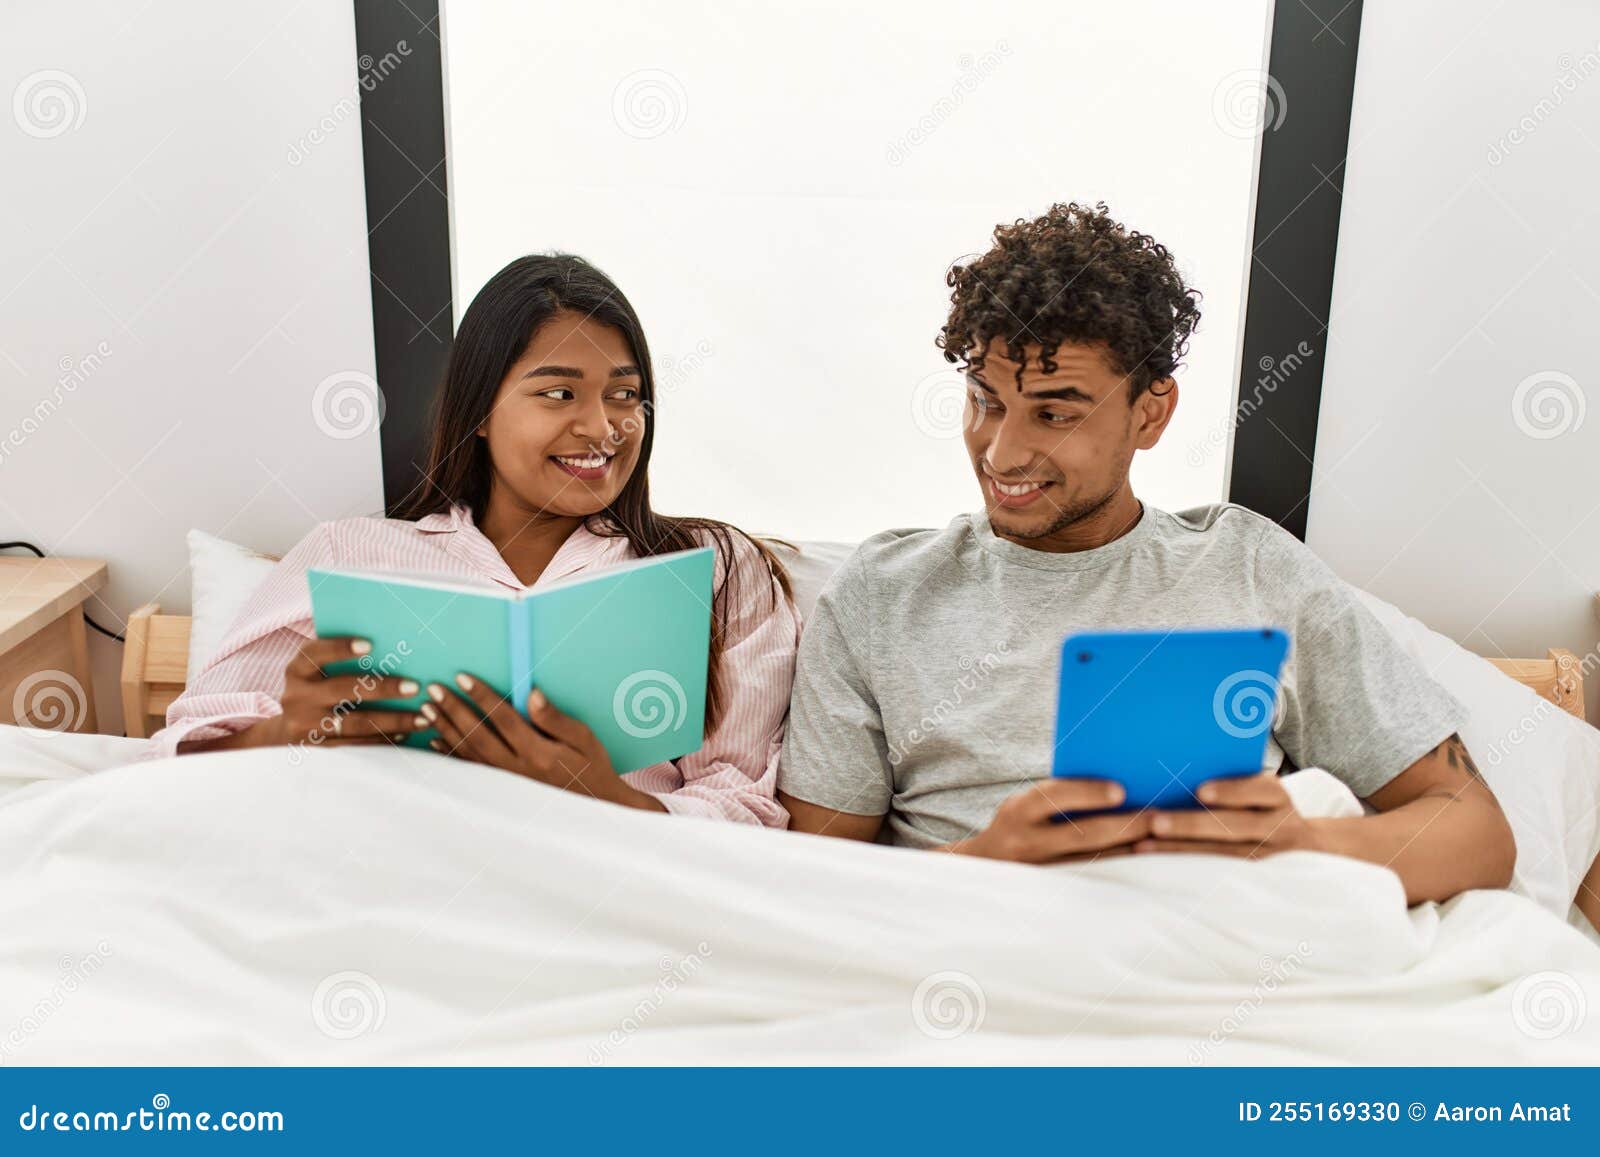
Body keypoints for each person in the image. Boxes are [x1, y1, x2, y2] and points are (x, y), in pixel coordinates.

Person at [777, 201, 1514, 903]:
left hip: (1209, 945)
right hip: (972, 954)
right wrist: (988, 861)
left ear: (1151, 411)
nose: (1001, 451)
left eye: (1054, 412)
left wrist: (1299, 843)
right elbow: (808, 887)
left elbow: (1475, 833)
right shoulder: (882, 593)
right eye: (985, 399)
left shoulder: (1252, 568)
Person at [146, 254, 799, 826]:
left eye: (625, 394)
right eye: (560, 392)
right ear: (481, 410)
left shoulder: (718, 571)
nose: (603, 426)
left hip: (606, 887)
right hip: (385, 869)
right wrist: (287, 728)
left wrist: (604, 796)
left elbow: (747, 810)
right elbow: (178, 752)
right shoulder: (349, 554)